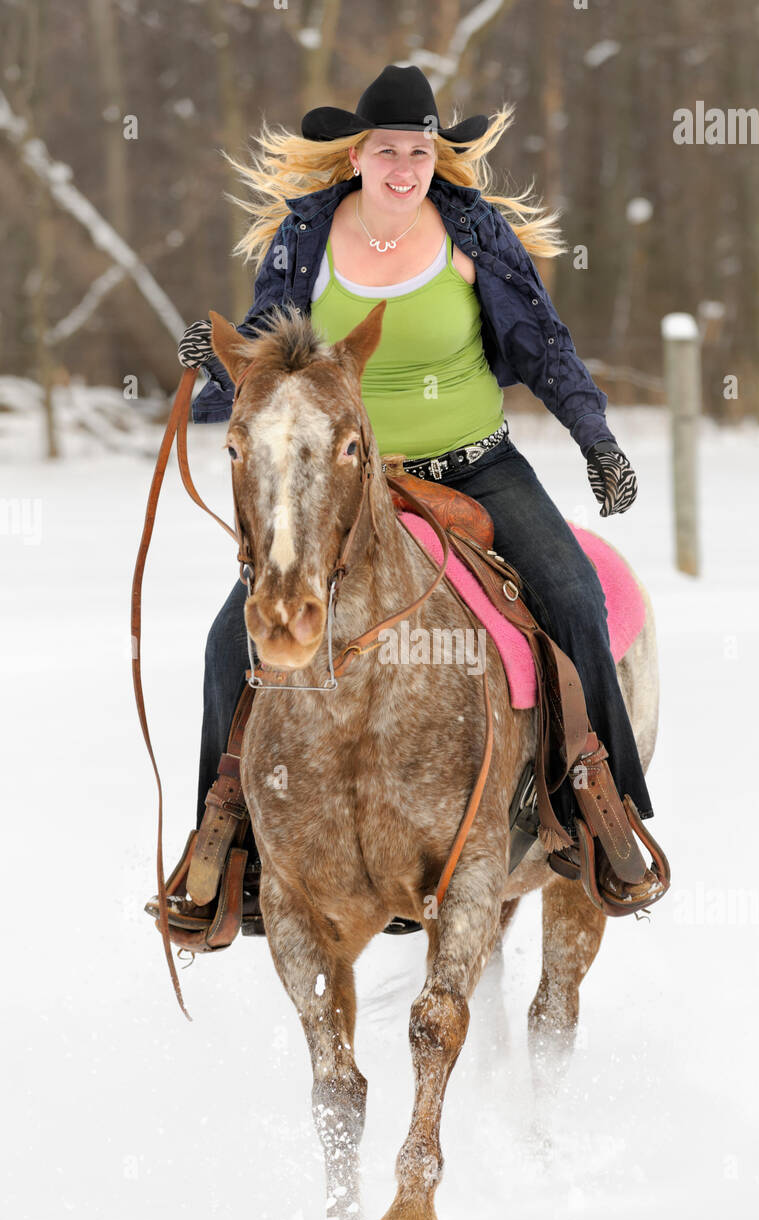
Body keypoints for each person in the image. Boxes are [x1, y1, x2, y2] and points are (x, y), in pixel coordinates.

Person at [154, 63, 665, 930]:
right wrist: (218, 365)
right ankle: (227, 844)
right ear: (357, 155)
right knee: (223, 642)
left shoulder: (474, 233)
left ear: (436, 157)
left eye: (420, 151)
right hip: (355, 482)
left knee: (574, 596)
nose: (405, 166)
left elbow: (544, 346)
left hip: (477, 464)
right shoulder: (304, 240)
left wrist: (597, 439)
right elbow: (270, 365)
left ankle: (598, 808)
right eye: (388, 149)